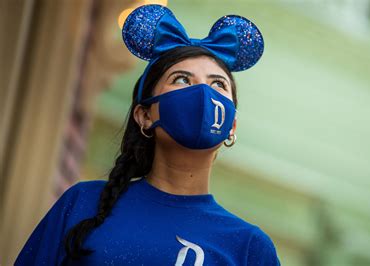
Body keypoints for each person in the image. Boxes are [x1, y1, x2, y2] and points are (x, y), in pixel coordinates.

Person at [15, 4, 280, 266]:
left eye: (218, 84)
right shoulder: (83, 202)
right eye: (182, 80)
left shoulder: (249, 248)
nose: (202, 94)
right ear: (145, 115)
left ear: (232, 125)